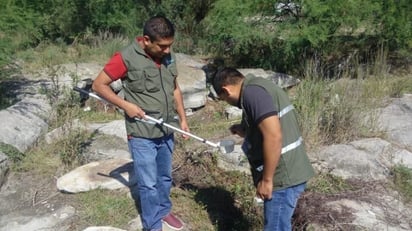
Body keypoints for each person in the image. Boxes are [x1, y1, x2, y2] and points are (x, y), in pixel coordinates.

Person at [92, 16, 188, 231]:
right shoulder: (125, 58)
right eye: (162, 46)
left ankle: (164, 211)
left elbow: (174, 88)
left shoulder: (167, 56)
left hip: (166, 128)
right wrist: (125, 105)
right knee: (148, 184)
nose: (167, 51)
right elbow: (99, 85)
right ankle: (152, 224)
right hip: (142, 132)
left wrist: (182, 118)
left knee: (164, 177)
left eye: (170, 46)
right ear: (146, 40)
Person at [212, 67, 315, 231]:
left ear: (225, 90)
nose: (227, 102)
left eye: (223, 99)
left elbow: (274, 137)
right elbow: (269, 124)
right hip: (288, 171)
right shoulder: (257, 86)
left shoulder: (252, 94)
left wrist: (267, 180)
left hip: (283, 176)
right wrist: (246, 130)